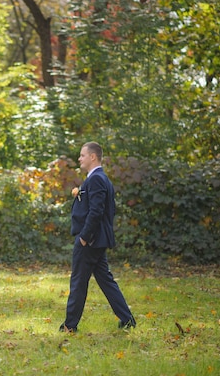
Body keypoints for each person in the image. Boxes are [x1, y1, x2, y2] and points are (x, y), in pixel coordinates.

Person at [59, 142, 135, 333]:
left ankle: (70, 325)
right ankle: (127, 320)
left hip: (90, 240)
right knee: (106, 281)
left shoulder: (97, 179)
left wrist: (85, 237)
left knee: (78, 282)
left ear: (93, 157)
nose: (79, 158)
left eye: (82, 155)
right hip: (96, 240)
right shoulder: (98, 178)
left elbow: (97, 211)